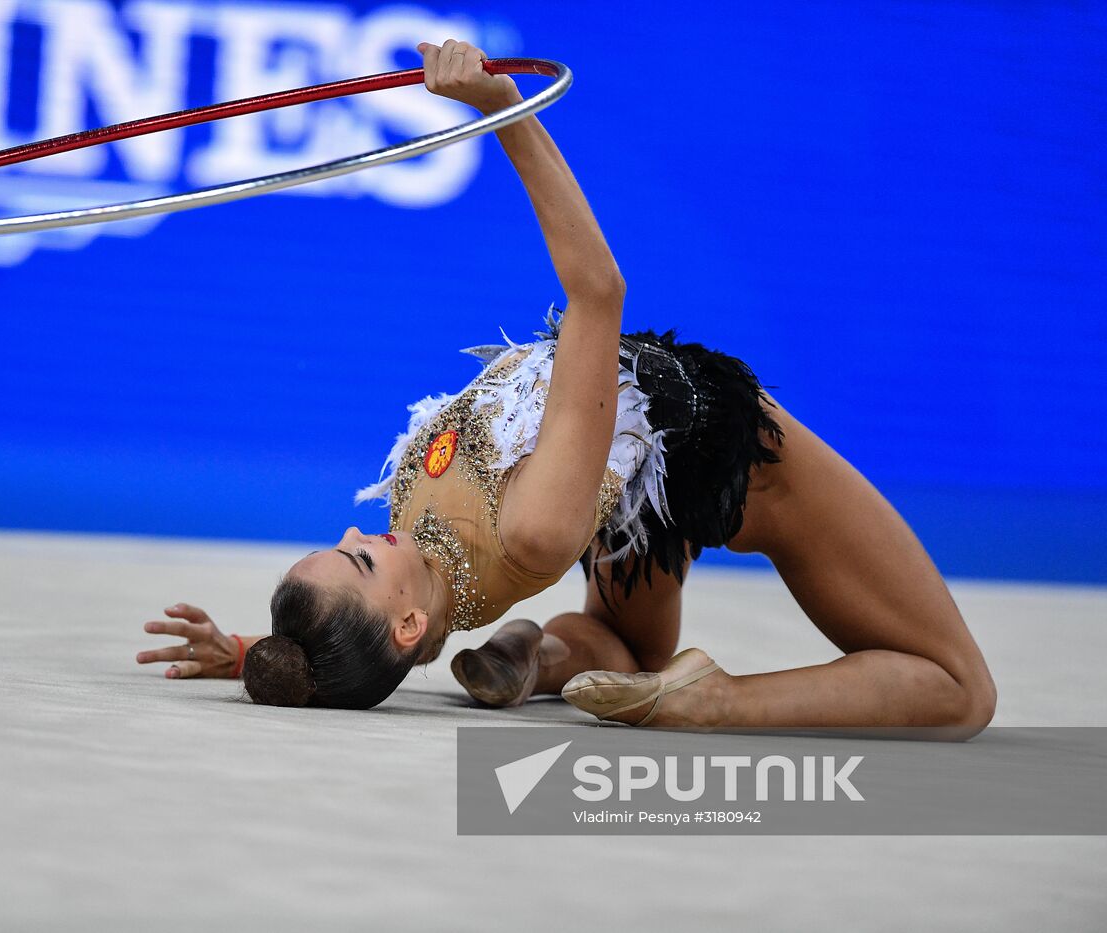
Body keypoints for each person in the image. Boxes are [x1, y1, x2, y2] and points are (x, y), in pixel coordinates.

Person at [136, 40, 997, 736]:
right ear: (407, 627)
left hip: (629, 503)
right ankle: (718, 700)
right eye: (360, 556)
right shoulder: (535, 527)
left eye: (346, 538)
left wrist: (266, 652)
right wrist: (502, 111)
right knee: (958, 689)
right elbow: (599, 293)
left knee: (617, 641)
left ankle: (541, 655)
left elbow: (357, 636)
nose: (363, 528)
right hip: (737, 461)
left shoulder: (423, 563)